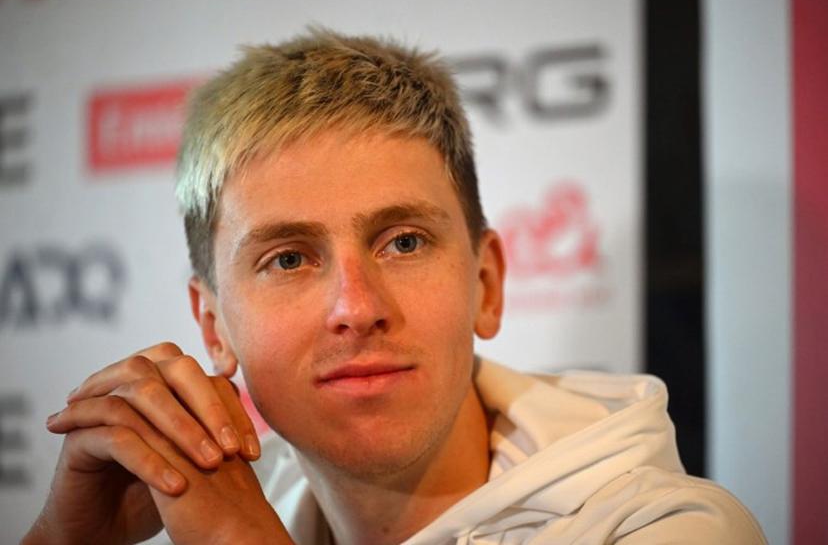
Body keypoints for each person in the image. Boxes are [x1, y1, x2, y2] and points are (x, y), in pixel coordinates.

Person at [23, 29, 766, 544]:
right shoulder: (211, 513)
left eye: (403, 241)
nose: (357, 307)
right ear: (213, 326)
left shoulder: (673, 529)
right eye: (288, 258)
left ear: (486, 285)